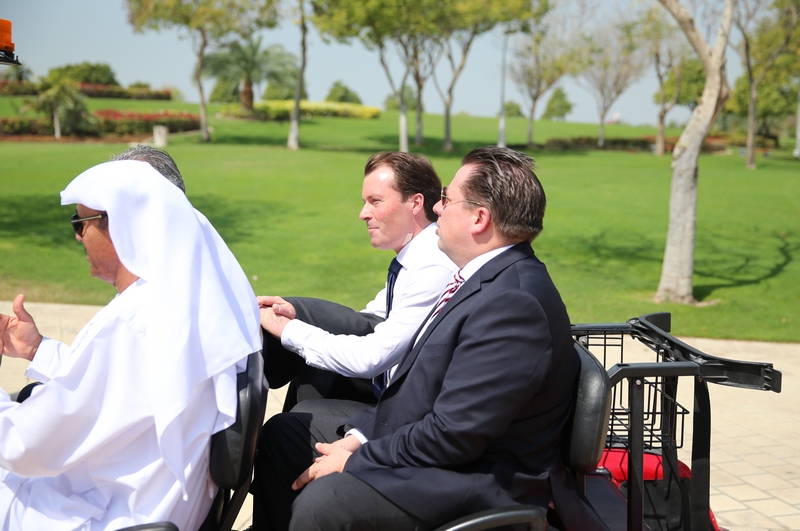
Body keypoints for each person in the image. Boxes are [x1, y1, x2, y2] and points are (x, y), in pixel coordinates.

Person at [252, 146, 584, 531]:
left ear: (479, 218)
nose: (438, 208)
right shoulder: (483, 279)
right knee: (287, 437)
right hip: (438, 451)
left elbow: (454, 435)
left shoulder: (514, 304)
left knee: (325, 502)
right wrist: (358, 436)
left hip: (479, 480)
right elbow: (418, 389)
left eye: (447, 199)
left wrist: (358, 459)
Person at [0, 160, 262, 530]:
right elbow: (115, 391)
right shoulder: (191, 307)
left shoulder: (132, 322)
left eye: (81, 223)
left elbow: (23, 447)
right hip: (158, 507)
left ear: (120, 224)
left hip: (106, 515)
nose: (78, 237)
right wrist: (36, 349)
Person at [258, 151, 456, 410]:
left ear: (415, 203)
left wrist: (288, 330)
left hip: (402, 410)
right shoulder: (418, 255)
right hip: (386, 386)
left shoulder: (432, 264)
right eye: (365, 202)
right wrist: (297, 314)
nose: (363, 213)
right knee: (312, 360)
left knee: (290, 424)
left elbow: (371, 357)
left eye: (375, 201)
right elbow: (368, 321)